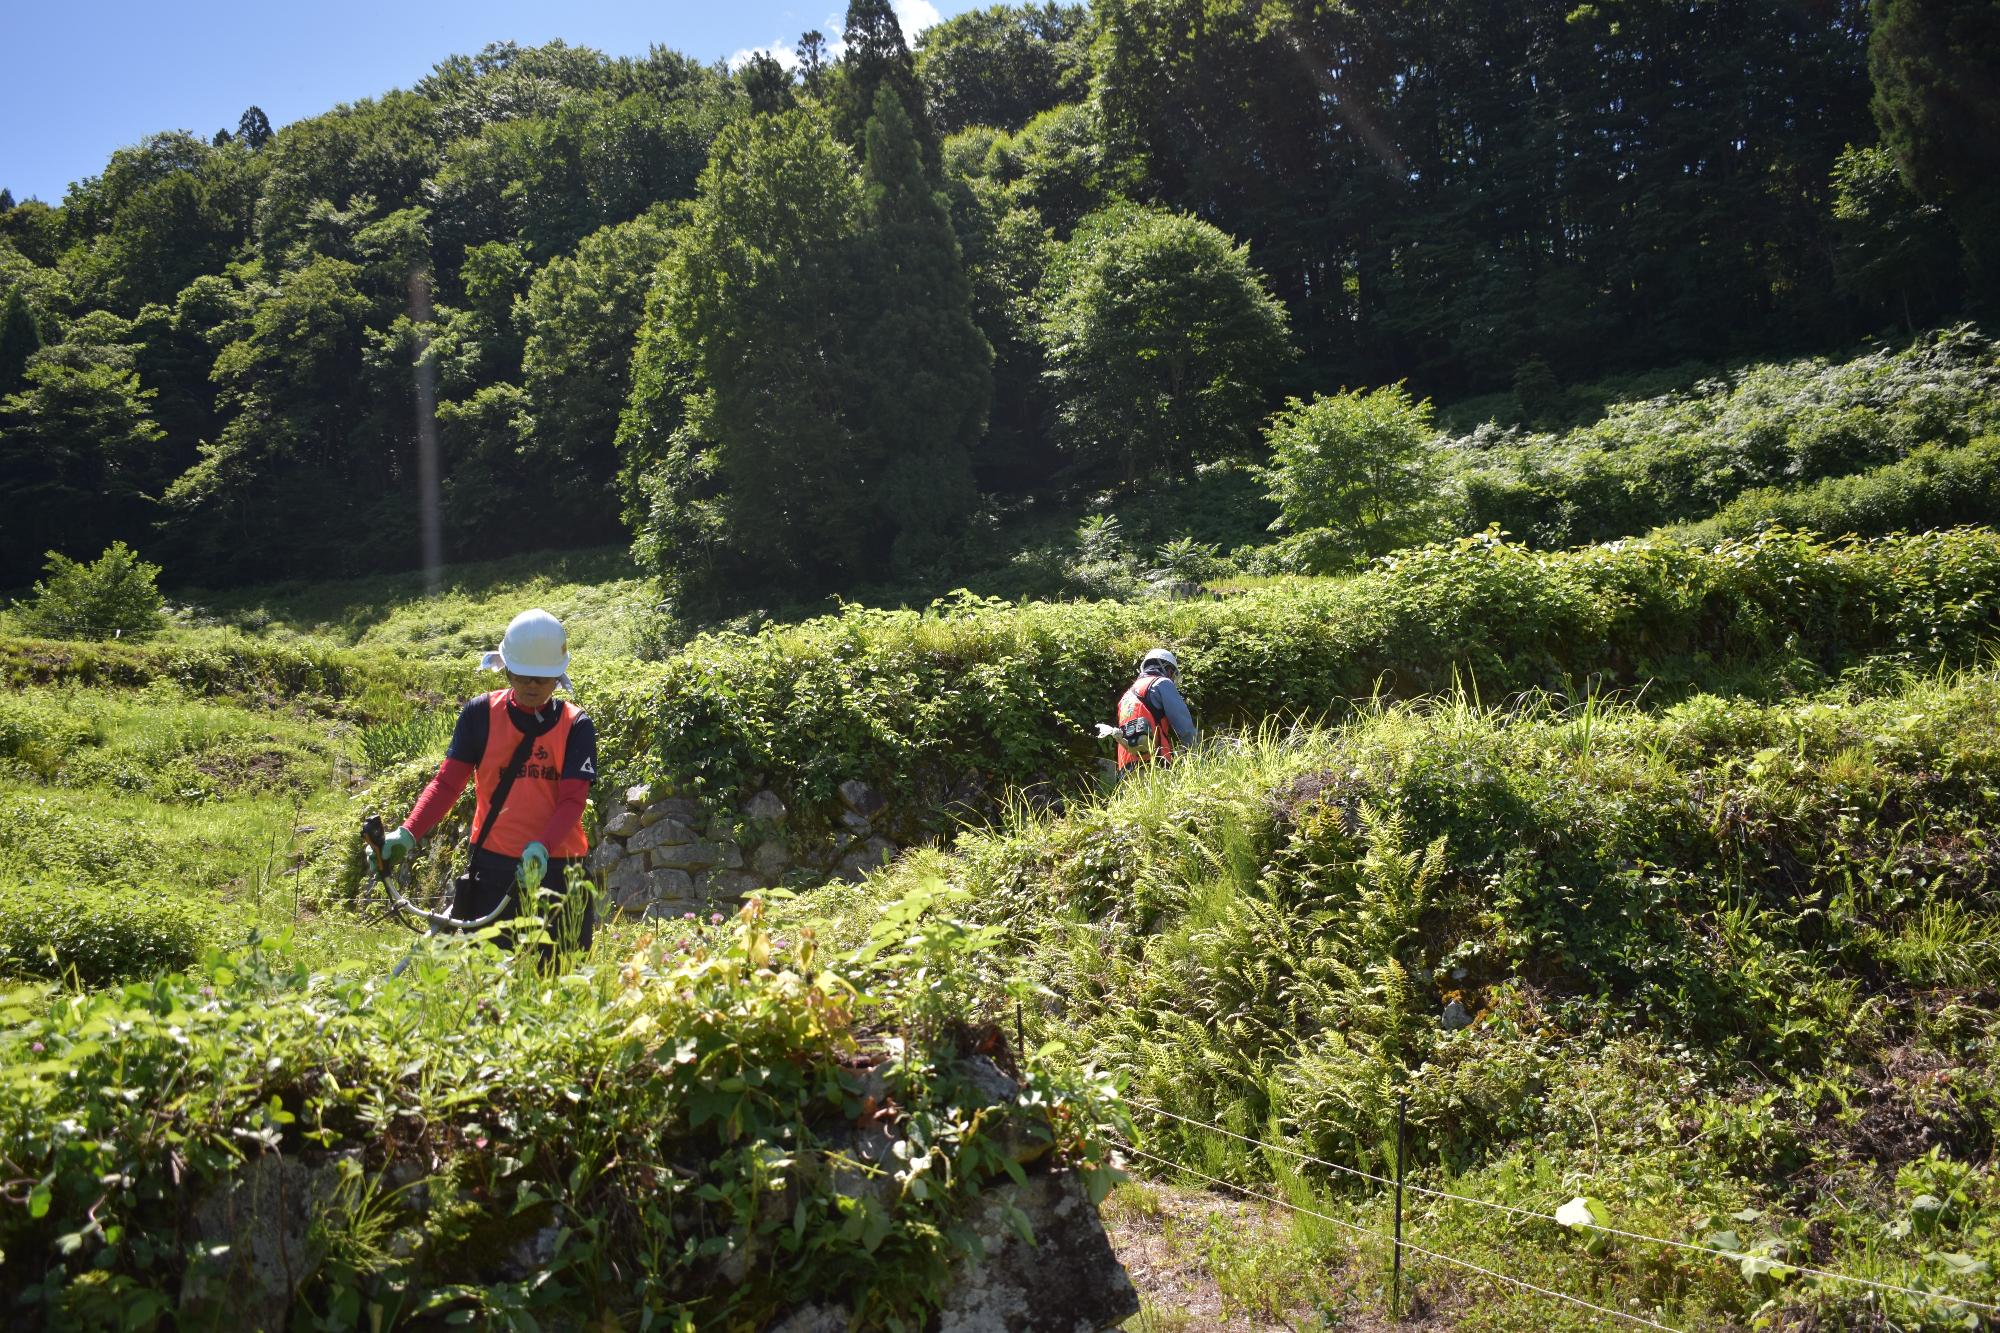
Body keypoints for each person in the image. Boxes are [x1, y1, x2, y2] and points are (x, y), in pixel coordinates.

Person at [368, 608, 599, 961]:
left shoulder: (576, 725)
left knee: (560, 983)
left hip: (558, 871)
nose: (532, 686)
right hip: (493, 868)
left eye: (542, 678)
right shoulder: (480, 715)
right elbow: (447, 784)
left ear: (558, 676)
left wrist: (542, 846)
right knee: (492, 987)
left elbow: (572, 801)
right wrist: (408, 833)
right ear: (506, 668)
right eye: (523, 675)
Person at [1111, 647, 1198, 772]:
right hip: (1155, 763)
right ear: (1167, 669)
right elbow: (1184, 726)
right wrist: (1197, 756)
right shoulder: (1162, 683)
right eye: (1172, 673)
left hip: (1126, 768)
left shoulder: (1126, 696)